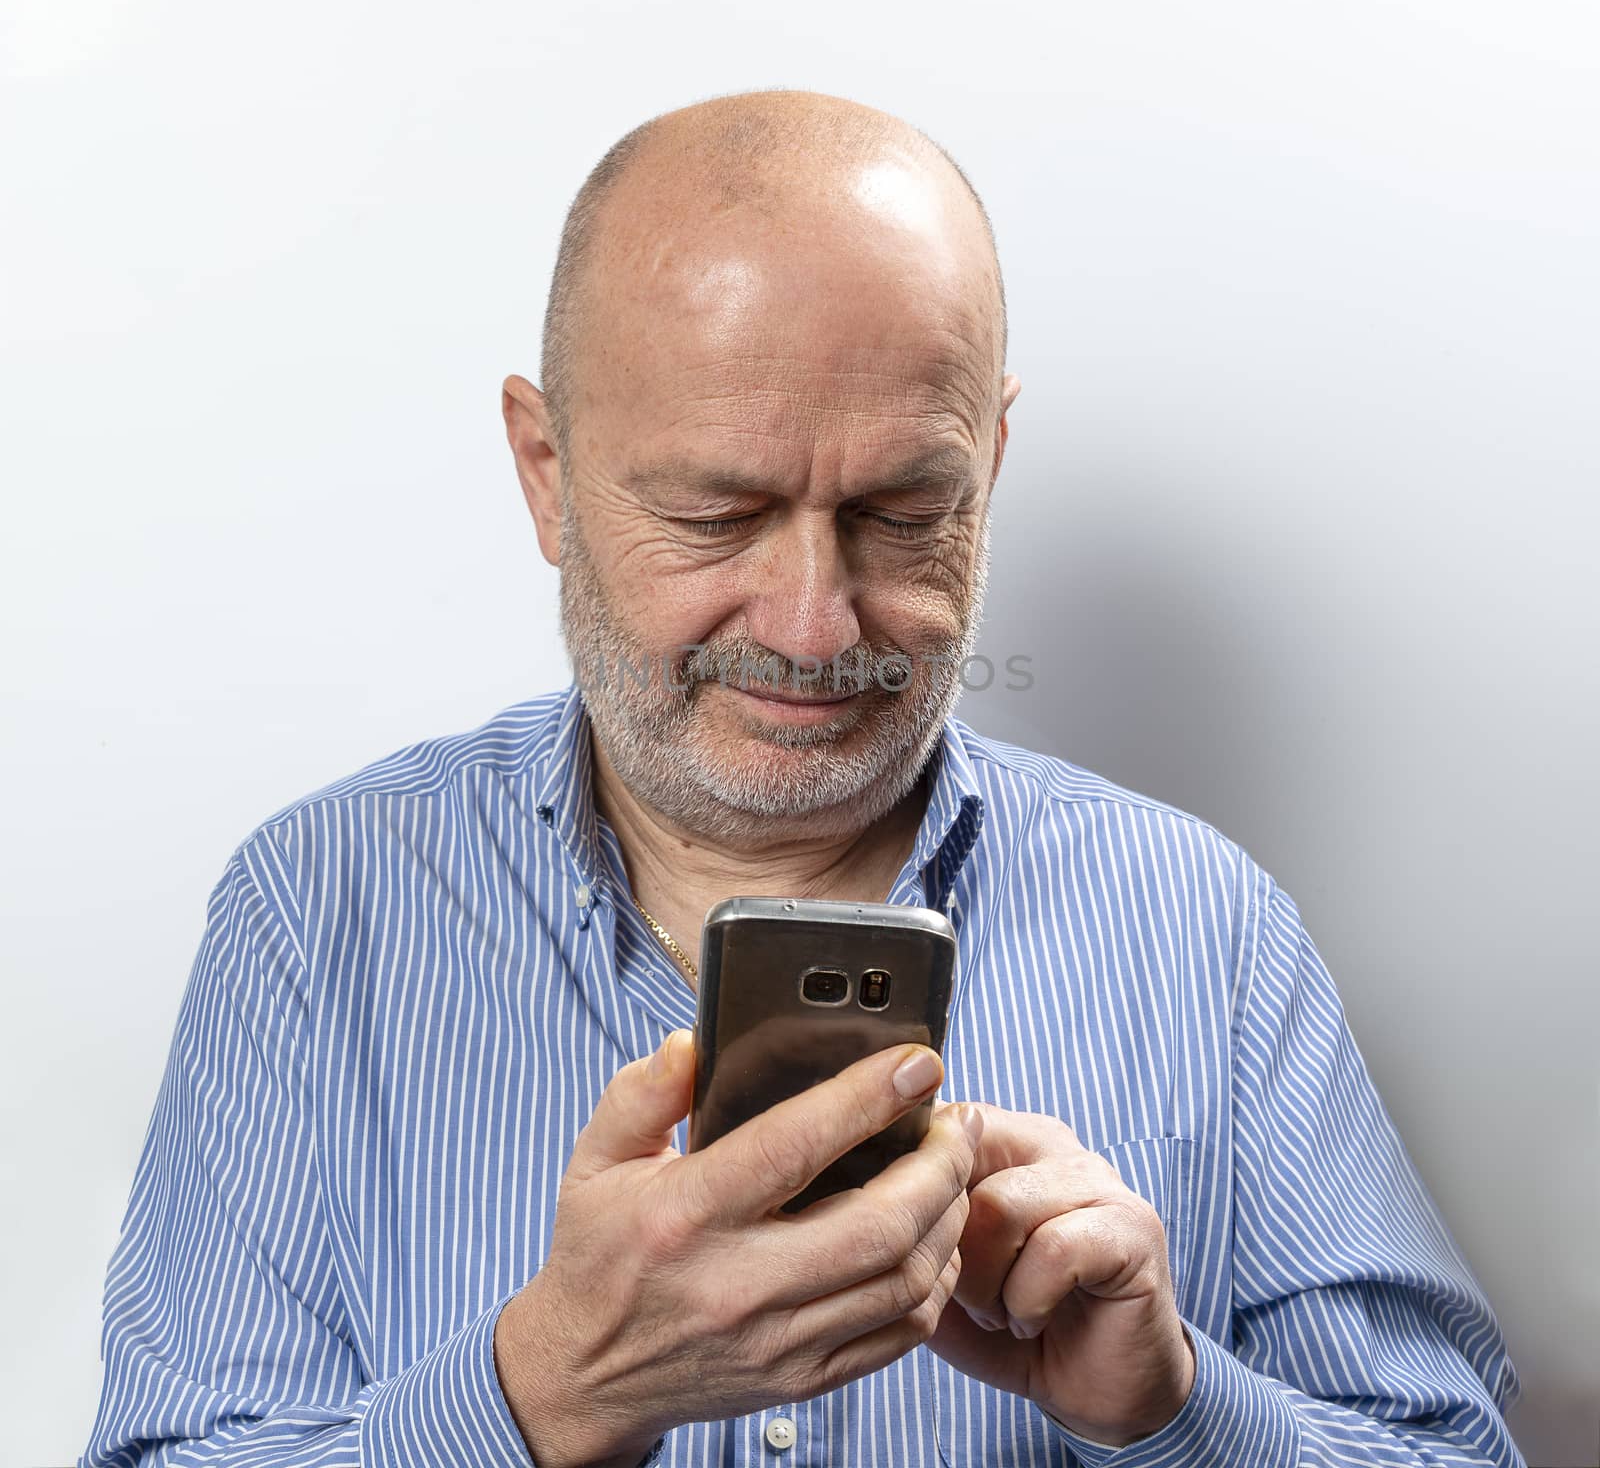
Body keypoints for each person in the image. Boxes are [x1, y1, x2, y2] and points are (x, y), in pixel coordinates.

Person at [83, 88, 1525, 1468]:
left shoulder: (1199, 928)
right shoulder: (318, 910)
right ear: (544, 472)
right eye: (718, 514)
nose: (814, 625)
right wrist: (539, 1398)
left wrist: (1169, 1412)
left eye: (904, 514)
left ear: (992, 464)